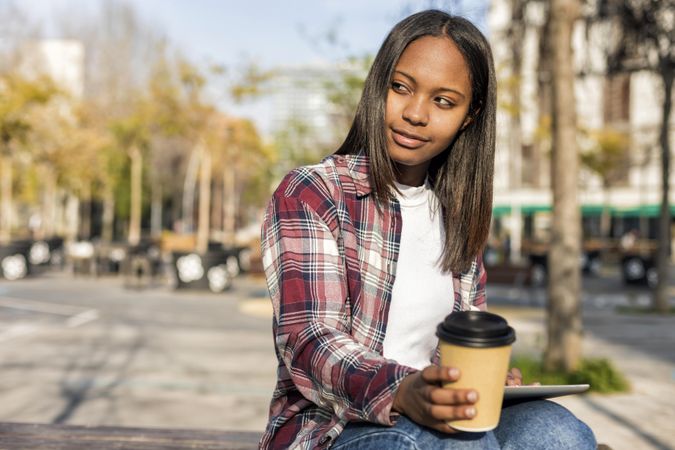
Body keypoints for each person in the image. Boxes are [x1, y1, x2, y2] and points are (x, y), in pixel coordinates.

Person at [259, 10, 596, 450]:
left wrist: (483, 379)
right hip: (336, 427)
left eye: (443, 101)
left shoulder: (457, 214)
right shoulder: (314, 192)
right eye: (401, 88)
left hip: (436, 420)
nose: (415, 114)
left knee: (559, 432)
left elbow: (459, 340)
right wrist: (405, 390)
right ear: (378, 87)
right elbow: (310, 341)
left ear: (469, 116)